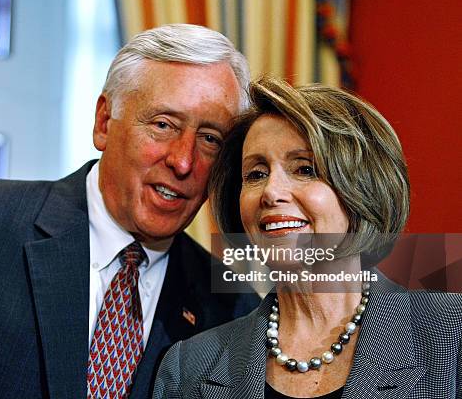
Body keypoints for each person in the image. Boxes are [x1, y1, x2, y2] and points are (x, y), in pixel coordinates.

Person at [0, 24, 260, 398]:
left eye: (210, 138)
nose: (183, 161)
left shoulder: (230, 304)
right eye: (163, 125)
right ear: (104, 122)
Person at [153, 76, 462, 398]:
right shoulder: (188, 367)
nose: (271, 192)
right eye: (256, 174)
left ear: (362, 188)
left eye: (305, 169)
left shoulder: (451, 333)